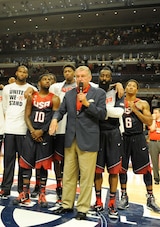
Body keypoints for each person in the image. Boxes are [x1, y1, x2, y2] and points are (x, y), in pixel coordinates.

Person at [49, 65, 106, 220]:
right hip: (70, 139)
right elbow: (61, 111)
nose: (79, 79)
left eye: (82, 76)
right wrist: (54, 120)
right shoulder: (69, 94)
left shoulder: (99, 93)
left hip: (88, 140)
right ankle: (67, 204)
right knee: (68, 174)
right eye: (77, 76)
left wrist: (87, 103)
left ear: (89, 78)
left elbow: (102, 114)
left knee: (86, 177)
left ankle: (82, 208)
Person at [14, 73, 60, 207]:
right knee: (26, 164)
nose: (47, 81)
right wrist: (32, 131)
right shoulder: (32, 96)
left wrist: (42, 130)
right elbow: (26, 116)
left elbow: (54, 118)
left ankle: (42, 193)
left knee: (43, 166)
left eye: (50, 79)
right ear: (39, 82)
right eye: (45, 79)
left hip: (45, 135)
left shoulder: (55, 99)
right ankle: (25, 193)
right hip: (31, 134)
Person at [118, 79, 160, 214]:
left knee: (146, 169)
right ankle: (124, 196)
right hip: (123, 137)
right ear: (125, 88)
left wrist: (136, 111)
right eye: (128, 85)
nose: (131, 87)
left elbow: (149, 122)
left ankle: (150, 197)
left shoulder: (142, 103)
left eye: (133, 86)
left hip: (138, 137)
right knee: (122, 168)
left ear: (137, 90)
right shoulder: (119, 102)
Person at [35, 64, 76, 205]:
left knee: (69, 162)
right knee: (56, 161)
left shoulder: (80, 86)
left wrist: (118, 84)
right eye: (65, 71)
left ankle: (67, 190)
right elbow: (41, 93)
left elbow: (99, 86)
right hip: (57, 129)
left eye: (70, 71)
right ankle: (58, 188)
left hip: (72, 130)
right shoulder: (56, 87)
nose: (67, 73)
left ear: (74, 73)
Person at [0, 65, 36, 199]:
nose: (23, 74)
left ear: (27, 75)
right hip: (9, 129)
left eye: (25, 72)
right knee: (8, 161)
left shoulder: (32, 89)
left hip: (24, 130)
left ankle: (22, 189)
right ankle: (5, 188)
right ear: (16, 73)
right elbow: (4, 107)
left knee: (23, 163)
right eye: (21, 71)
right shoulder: (7, 88)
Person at [89, 67, 124, 219]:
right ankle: (98, 201)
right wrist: (106, 110)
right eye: (102, 75)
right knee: (97, 171)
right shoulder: (94, 90)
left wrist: (100, 110)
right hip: (97, 133)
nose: (104, 78)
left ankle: (111, 203)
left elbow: (119, 112)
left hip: (113, 133)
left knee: (114, 171)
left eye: (107, 76)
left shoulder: (117, 91)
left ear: (111, 78)